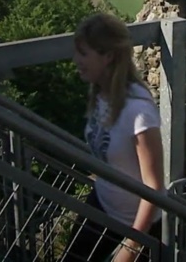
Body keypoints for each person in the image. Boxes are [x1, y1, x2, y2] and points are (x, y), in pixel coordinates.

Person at [62, 13, 165, 262]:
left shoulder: (138, 112)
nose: (76, 60)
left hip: (138, 225)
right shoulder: (100, 95)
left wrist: (131, 247)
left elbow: (154, 188)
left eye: (83, 53)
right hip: (102, 204)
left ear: (108, 56)